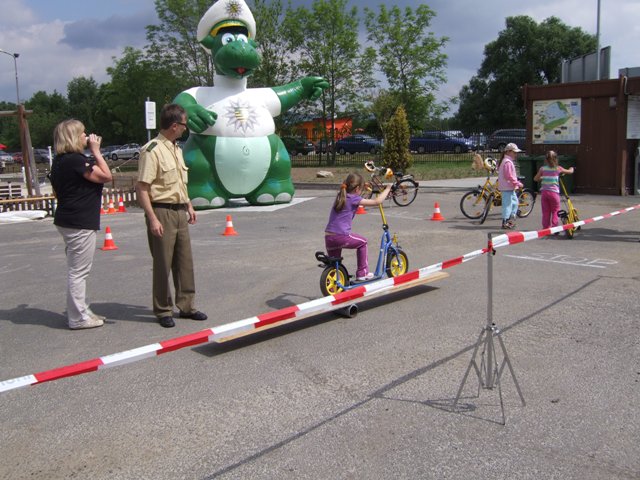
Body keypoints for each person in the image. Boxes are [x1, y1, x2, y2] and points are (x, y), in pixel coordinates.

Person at [136, 104, 207, 328]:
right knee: (163, 263)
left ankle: (187, 306)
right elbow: (142, 188)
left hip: (178, 211)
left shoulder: (176, 149)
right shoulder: (152, 150)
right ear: (175, 126)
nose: (186, 129)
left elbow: (178, 182)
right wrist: (153, 218)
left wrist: (188, 205)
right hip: (161, 211)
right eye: (184, 125)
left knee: (185, 262)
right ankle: (163, 309)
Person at [50, 119, 112, 329]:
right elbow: (106, 176)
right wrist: (96, 151)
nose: (87, 137)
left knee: (77, 269)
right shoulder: (75, 160)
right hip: (79, 221)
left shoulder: (60, 160)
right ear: (73, 137)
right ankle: (77, 317)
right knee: (78, 271)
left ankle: (81, 310)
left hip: (68, 218)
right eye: (83, 134)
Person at [324, 172, 392, 281]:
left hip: (329, 238)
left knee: (335, 263)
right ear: (356, 189)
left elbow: (354, 191)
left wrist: (362, 185)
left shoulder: (341, 195)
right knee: (363, 242)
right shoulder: (353, 199)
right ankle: (362, 273)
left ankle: (335, 282)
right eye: (360, 189)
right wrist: (388, 188)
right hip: (341, 236)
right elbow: (377, 201)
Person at [533, 150, 574, 230]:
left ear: (546, 159)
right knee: (555, 210)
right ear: (556, 159)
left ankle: (545, 228)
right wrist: (571, 168)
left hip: (544, 193)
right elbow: (570, 172)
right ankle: (554, 228)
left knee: (546, 211)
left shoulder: (542, 169)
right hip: (554, 193)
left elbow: (535, 179)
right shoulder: (558, 168)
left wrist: (542, 177)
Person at [497, 142, 523, 229]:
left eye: (516, 153)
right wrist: (517, 183)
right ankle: (505, 221)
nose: (516, 154)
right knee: (507, 205)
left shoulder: (506, 161)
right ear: (508, 152)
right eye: (514, 152)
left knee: (515, 203)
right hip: (507, 187)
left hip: (509, 187)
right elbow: (509, 176)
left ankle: (510, 219)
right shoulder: (507, 162)